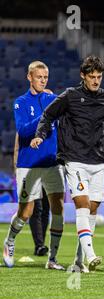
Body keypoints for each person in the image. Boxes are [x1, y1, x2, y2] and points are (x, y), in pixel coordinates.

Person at [31, 55, 104, 272]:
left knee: (92, 209)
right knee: (82, 205)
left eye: (99, 77)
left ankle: (78, 261)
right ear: (82, 76)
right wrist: (40, 135)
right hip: (74, 159)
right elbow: (47, 116)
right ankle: (91, 254)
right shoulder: (70, 96)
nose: (96, 81)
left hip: (97, 161)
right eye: (92, 77)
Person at [3, 61, 65, 270]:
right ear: (29, 77)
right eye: (39, 77)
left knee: (58, 208)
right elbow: (24, 131)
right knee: (26, 212)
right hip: (28, 164)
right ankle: (10, 241)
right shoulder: (20, 102)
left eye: (45, 77)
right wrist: (46, 115)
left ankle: (52, 259)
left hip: (51, 163)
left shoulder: (53, 99)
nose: (42, 80)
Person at [14, 132, 50, 256]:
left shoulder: (50, 123)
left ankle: (41, 243)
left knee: (46, 207)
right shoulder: (26, 124)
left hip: (48, 170)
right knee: (36, 208)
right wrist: (16, 167)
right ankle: (39, 245)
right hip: (30, 170)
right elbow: (17, 147)